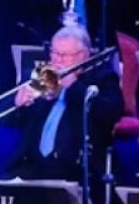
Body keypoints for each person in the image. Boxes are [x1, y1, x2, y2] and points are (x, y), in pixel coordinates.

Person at [7, 25, 123, 188]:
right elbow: (8, 121)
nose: (57, 60)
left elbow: (111, 112)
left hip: (76, 169)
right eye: (54, 53)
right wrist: (17, 104)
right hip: (33, 167)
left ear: (83, 55)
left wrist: (73, 86)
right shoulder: (41, 76)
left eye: (65, 55)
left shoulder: (102, 77)